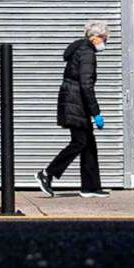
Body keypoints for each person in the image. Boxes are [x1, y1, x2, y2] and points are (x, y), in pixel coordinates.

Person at [39, 20, 110, 197]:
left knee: (89, 145)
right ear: (94, 38)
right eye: (104, 38)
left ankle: (90, 187)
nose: (105, 42)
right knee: (80, 142)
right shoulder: (87, 53)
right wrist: (96, 113)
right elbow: (86, 84)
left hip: (75, 102)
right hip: (76, 103)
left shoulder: (81, 50)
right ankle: (47, 174)